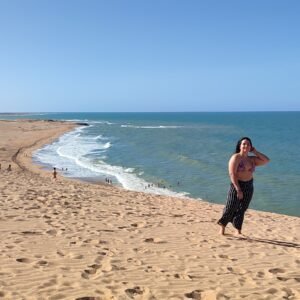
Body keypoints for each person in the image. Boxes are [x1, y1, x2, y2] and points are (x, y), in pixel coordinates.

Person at [217, 137, 270, 235]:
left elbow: (266, 160)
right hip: (236, 185)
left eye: (248, 144)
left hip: (249, 185)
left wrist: (255, 151)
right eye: (244, 144)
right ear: (240, 146)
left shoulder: (252, 159)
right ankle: (222, 228)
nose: (246, 146)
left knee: (242, 208)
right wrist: (238, 189)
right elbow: (232, 174)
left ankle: (238, 230)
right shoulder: (236, 157)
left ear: (251, 147)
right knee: (231, 206)